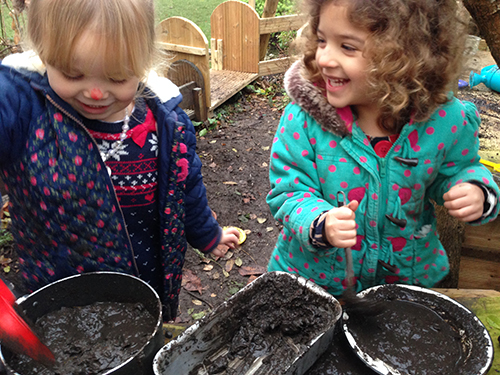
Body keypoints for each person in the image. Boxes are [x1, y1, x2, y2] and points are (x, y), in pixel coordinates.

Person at [0, 0, 240, 321]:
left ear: (142, 62)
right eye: (72, 73)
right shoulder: (22, 106)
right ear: (43, 53)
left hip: (146, 288)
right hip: (59, 300)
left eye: (116, 77)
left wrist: (207, 233)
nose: (95, 93)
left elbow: (186, 188)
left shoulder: (167, 124)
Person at [266, 0, 500, 296]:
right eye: (322, 40)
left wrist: (475, 190)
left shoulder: (444, 121)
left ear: (405, 56)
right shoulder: (305, 119)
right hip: (317, 287)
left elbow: (460, 168)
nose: (324, 58)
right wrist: (319, 222)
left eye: (347, 47)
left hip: (403, 285)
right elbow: (288, 192)